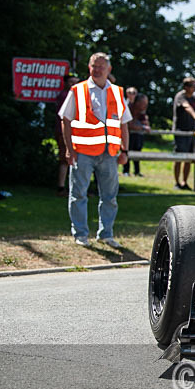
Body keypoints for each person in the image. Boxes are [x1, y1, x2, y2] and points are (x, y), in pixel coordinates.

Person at [58, 52, 131, 248]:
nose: (97, 69)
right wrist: (69, 148)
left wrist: (125, 151)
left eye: (101, 66)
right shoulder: (78, 90)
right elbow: (65, 120)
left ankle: (106, 234)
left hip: (109, 153)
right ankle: (81, 234)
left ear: (109, 69)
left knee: (109, 196)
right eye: (93, 66)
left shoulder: (116, 92)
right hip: (82, 152)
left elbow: (124, 124)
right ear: (89, 67)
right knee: (78, 195)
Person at [55, 74, 80, 196]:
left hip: (75, 133)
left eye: (76, 82)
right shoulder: (65, 96)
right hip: (64, 133)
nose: (74, 85)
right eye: (71, 82)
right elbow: (65, 118)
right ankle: (61, 187)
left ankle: (71, 187)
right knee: (65, 159)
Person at [123, 93, 150, 177]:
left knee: (137, 152)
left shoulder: (141, 111)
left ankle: (137, 171)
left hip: (138, 135)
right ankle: (126, 171)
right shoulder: (129, 108)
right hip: (129, 135)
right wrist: (142, 127)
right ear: (138, 103)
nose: (145, 105)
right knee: (127, 152)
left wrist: (144, 124)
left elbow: (146, 123)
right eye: (144, 103)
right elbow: (129, 125)